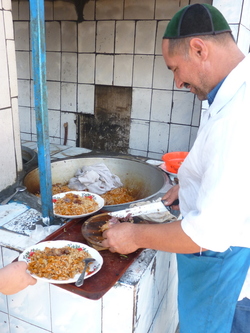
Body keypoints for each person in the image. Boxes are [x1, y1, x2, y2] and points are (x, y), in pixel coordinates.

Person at [102, 3, 250, 333]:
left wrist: (133, 234)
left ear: (199, 49)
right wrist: (191, 185)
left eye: (174, 68)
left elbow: (209, 234)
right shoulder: (233, 94)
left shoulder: (238, 117)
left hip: (225, 267)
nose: (177, 82)